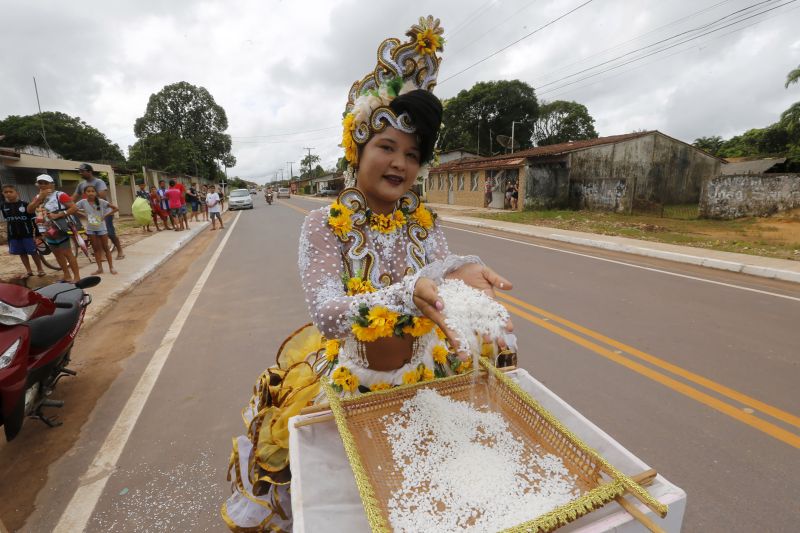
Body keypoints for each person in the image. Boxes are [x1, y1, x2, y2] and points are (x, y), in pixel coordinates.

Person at [221, 17, 514, 531]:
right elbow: (329, 313)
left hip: (428, 377)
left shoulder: (423, 221)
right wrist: (405, 294)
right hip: (357, 384)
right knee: (359, 505)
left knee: (436, 498)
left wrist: (462, 268)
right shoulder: (321, 225)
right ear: (357, 147)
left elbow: (439, 273)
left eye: (413, 154)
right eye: (387, 147)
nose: (400, 163)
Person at [27, 174, 81, 283]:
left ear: (52, 184)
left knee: (67, 252)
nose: (43, 185)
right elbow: (29, 210)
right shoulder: (38, 197)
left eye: (46, 183)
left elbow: (74, 207)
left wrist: (59, 214)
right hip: (46, 230)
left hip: (60, 228)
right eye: (40, 183)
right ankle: (67, 275)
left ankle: (77, 277)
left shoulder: (60, 195)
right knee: (57, 253)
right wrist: (40, 199)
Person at [73, 163, 124, 260]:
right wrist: (65, 203)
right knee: (95, 233)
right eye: (80, 171)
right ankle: (101, 254)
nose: (80, 173)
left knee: (109, 232)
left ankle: (120, 250)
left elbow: (102, 196)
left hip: (104, 213)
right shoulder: (81, 185)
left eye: (82, 171)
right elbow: (73, 198)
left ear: (89, 171)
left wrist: (88, 197)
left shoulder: (99, 182)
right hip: (91, 214)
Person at [1, 184, 45, 278]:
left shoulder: (25, 204)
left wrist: (37, 233)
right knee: (22, 253)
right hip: (13, 235)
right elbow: (7, 218)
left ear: (17, 193)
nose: (8, 194)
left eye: (11, 192)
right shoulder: (3, 206)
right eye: (6, 192)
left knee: (33, 252)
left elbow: (34, 219)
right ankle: (29, 271)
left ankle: (40, 269)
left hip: (27, 233)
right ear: (3, 194)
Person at [76, 185, 118, 275]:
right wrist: (84, 215)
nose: (90, 193)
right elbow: (73, 209)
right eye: (88, 191)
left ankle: (111, 267)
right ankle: (100, 268)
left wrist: (105, 216)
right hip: (91, 229)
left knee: (106, 247)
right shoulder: (82, 202)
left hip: (102, 228)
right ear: (85, 193)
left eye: (92, 191)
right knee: (96, 249)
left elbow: (116, 208)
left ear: (95, 193)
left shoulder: (101, 202)